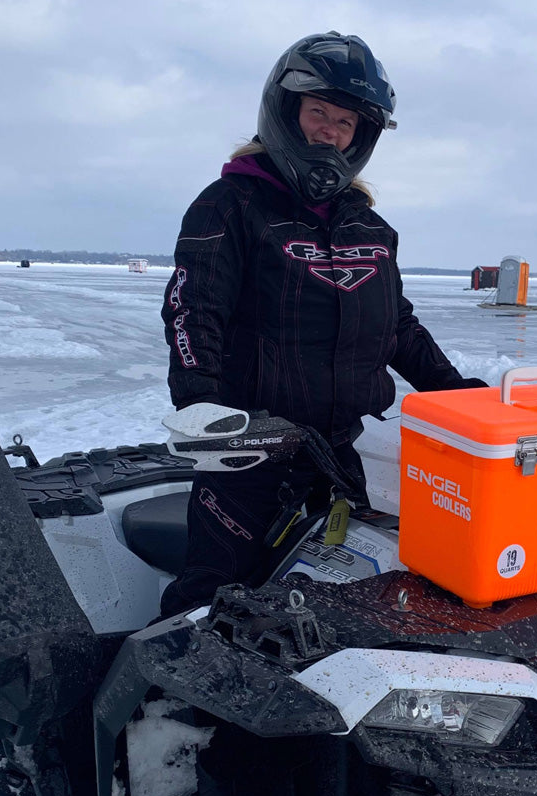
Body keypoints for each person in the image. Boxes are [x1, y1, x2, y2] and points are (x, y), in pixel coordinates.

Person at [159, 31, 485, 617]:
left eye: (345, 123)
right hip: (247, 453)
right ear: (287, 111)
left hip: (340, 455)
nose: (329, 131)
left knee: (337, 606)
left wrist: (460, 396)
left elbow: (396, 327)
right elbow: (193, 305)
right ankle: (154, 704)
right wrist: (200, 402)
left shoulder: (369, 227)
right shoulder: (230, 203)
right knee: (213, 600)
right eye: (319, 113)